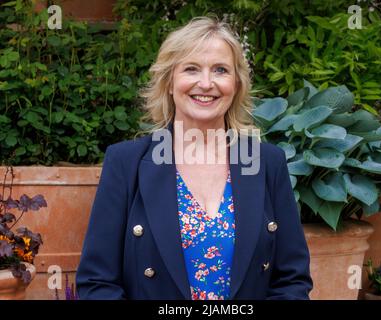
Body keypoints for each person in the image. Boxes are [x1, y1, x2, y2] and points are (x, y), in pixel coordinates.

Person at [76, 16, 312, 300]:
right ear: (169, 81)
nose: (206, 83)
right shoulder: (126, 163)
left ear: (236, 84)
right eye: (191, 69)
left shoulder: (265, 162)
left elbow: (292, 280)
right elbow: (96, 283)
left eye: (220, 70)